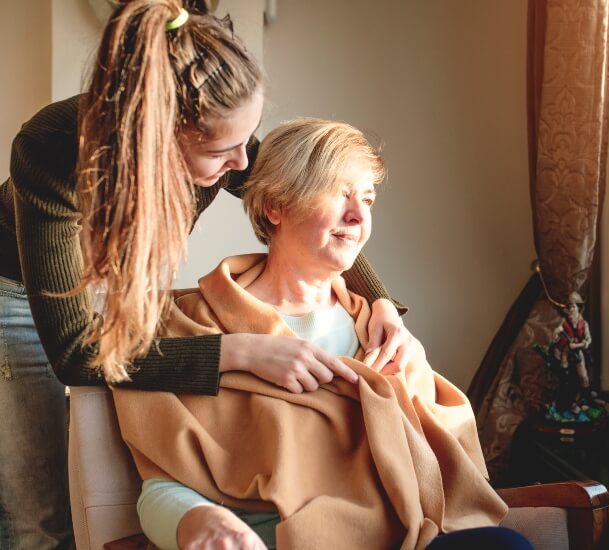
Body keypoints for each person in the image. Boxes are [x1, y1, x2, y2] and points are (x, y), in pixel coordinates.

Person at [0, 3, 412, 548]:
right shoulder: (51, 152)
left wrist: (378, 299)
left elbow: (291, 194)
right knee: (42, 514)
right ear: (159, 139)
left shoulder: (224, 131)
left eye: (249, 139)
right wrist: (237, 351)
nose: (243, 163)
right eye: (223, 151)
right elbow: (77, 352)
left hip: (118, 280)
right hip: (17, 290)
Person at [112, 118, 532, 550]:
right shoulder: (195, 326)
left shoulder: (380, 331)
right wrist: (198, 521)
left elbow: (445, 463)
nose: (359, 215)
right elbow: (162, 484)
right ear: (275, 206)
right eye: (339, 193)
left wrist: (406, 376)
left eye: (367, 199)